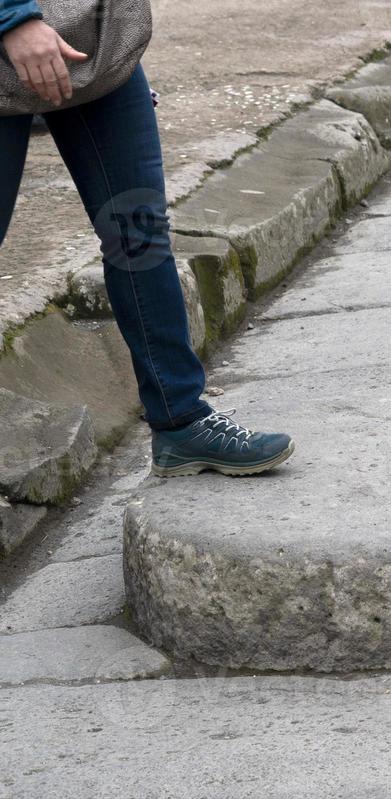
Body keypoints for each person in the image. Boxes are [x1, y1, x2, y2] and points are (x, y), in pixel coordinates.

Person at [1, 2, 293, 477]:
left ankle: (181, 422)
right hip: (15, 31)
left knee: (138, 234)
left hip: (92, 48)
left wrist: (113, 42)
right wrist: (12, 17)